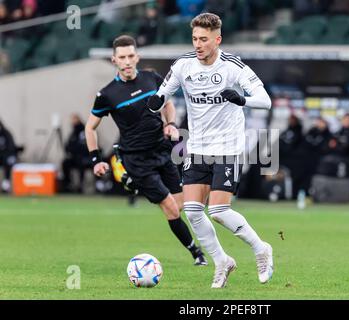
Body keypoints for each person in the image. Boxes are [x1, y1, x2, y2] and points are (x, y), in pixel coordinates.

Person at [147, 13, 274, 288]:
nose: (198, 44)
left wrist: (242, 99)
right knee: (192, 211)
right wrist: (154, 102)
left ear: (217, 39)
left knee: (217, 211)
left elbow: (265, 101)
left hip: (227, 147)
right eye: (194, 38)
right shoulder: (183, 65)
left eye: (204, 39)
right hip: (197, 148)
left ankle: (261, 248)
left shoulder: (233, 67)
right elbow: (162, 93)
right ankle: (222, 262)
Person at [84, 35, 207, 266]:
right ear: (114, 60)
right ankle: (196, 253)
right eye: (122, 57)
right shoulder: (107, 94)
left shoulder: (152, 78)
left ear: (137, 57)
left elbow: (168, 103)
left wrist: (170, 124)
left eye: (131, 56)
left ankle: (134, 186)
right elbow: (90, 127)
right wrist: (96, 160)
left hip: (161, 150)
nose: (127, 61)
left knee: (182, 206)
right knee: (170, 208)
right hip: (136, 159)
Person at [61, 114, 90, 193]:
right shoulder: (73, 132)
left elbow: (83, 145)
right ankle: (68, 184)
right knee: (65, 163)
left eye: (74, 120)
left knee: (81, 164)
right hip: (75, 157)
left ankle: (80, 185)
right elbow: (69, 144)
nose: (73, 122)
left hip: (83, 157)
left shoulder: (83, 131)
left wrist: (74, 149)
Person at [0, 119, 18, 192]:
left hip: (7, 157)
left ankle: (5, 186)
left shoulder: (6, 134)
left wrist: (11, 156)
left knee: (7, 165)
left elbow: (11, 148)